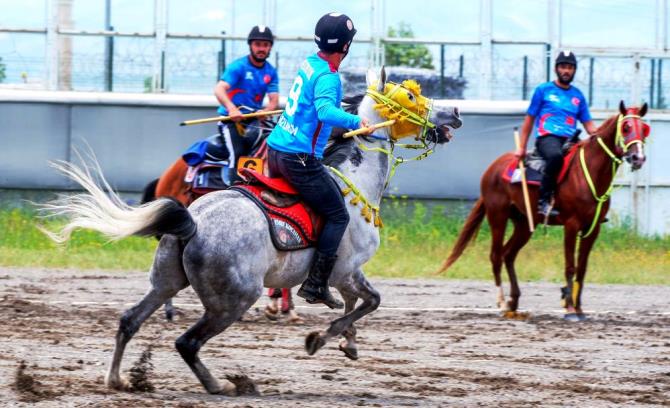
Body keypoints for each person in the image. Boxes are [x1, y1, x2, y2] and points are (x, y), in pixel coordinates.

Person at [265, 12, 373, 309]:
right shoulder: (329, 76)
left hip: (275, 150)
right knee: (339, 213)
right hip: (297, 159)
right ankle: (315, 284)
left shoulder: (310, 64)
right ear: (346, 46)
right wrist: (357, 121)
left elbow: (314, 108)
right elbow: (325, 111)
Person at [515, 50, 597, 217]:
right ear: (556, 69)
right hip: (548, 138)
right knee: (555, 157)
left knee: (591, 161)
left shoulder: (578, 95)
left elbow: (589, 125)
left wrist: (602, 136)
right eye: (563, 67)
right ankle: (543, 201)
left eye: (570, 67)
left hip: (571, 139)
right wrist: (521, 147)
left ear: (574, 70)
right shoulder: (543, 90)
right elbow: (529, 120)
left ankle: (589, 205)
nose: (566, 71)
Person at [207, 25, 279, 182]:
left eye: (265, 45)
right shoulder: (238, 66)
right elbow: (219, 89)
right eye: (258, 44)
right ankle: (233, 187)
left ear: (270, 48)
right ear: (251, 45)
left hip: (254, 121)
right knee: (238, 152)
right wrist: (232, 109)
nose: (261, 48)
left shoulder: (271, 71)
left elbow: (274, 101)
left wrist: (266, 111)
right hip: (230, 121)